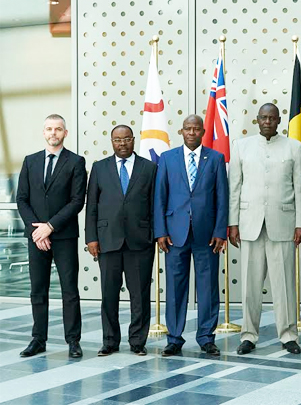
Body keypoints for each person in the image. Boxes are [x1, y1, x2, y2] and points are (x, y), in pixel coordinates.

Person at [229, 103, 301, 355]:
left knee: (284, 283)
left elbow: (299, 188)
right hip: (249, 225)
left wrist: (300, 223)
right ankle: (249, 335)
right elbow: (235, 189)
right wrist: (232, 223)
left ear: (279, 120)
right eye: (263, 118)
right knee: (250, 285)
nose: (267, 122)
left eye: (272, 118)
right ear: (257, 120)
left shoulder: (294, 147)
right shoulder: (241, 146)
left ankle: (288, 335)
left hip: (283, 225)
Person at [154, 114, 228, 357]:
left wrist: (220, 231)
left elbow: (221, 198)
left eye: (196, 129)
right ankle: (174, 338)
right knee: (175, 288)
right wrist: (160, 231)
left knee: (208, 288)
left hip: (207, 235)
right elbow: (160, 197)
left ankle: (207, 337)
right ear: (181, 131)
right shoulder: (167, 158)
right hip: (175, 234)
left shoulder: (215, 158)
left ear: (203, 131)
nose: (192, 133)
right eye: (188, 129)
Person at [16, 114, 87, 358]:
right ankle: (38, 339)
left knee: (69, 290)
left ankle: (73, 341)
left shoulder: (76, 162)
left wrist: (51, 226)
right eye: (49, 129)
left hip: (64, 235)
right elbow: (21, 199)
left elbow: (77, 201)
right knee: (38, 289)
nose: (53, 133)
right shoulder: (30, 161)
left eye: (58, 129)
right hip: (37, 237)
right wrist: (38, 230)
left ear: (65, 133)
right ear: (43, 132)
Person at [85, 125, 158, 356]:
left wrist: (154, 236)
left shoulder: (149, 168)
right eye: (118, 140)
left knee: (140, 295)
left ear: (134, 140)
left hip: (140, 242)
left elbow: (156, 205)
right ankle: (110, 341)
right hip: (107, 241)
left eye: (126, 139)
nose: (122, 143)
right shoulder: (99, 168)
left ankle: (137, 341)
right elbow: (92, 207)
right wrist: (91, 239)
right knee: (108, 294)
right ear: (111, 142)